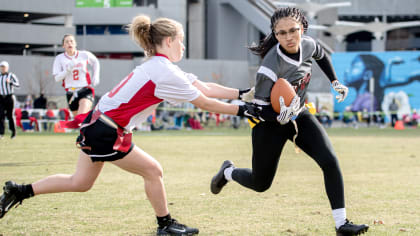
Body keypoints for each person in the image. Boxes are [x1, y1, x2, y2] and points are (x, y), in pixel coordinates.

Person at [0, 15, 258, 235]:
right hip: (106, 129)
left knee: (80, 182)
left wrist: (242, 93)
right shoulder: (165, 71)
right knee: (153, 171)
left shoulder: (161, 66)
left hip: (100, 124)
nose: (183, 46)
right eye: (181, 40)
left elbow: (204, 87)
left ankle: (19, 191)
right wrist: (243, 110)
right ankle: (165, 224)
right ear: (169, 41)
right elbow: (204, 102)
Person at [210, 7, 368, 236]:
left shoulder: (309, 44)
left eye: (293, 30)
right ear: (275, 34)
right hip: (268, 124)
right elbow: (258, 110)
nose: (289, 37)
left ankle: (341, 224)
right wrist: (278, 117)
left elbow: (321, 56)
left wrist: (335, 81)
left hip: (299, 114)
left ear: (302, 28)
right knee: (260, 183)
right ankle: (228, 172)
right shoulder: (269, 68)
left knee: (330, 161)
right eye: (281, 33)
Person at [52, 34, 100, 119]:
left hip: (85, 90)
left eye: (71, 41)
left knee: (81, 117)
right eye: (66, 42)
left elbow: (95, 62)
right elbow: (57, 78)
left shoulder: (84, 54)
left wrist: (96, 76)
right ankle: (88, 129)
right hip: (71, 92)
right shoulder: (59, 58)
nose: (69, 43)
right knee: (78, 121)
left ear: (75, 44)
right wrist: (67, 70)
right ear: (63, 45)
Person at [0, 61, 20, 139]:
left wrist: (10, 82)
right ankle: (1, 133)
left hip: (9, 97)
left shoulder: (11, 75)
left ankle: (13, 132)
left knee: (10, 115)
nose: (2, 69)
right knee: (0, 115)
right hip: (1, 97)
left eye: (4, 67)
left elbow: (18, 85)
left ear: (7, 68)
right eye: (1, 67)